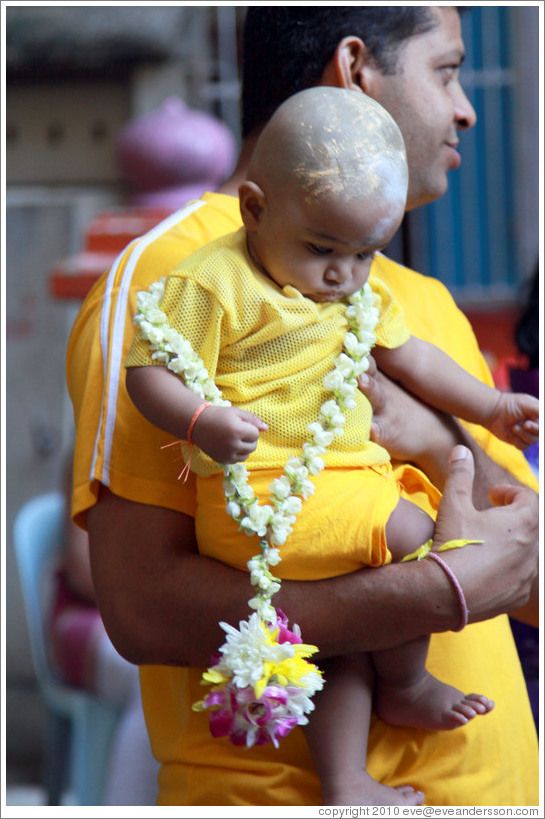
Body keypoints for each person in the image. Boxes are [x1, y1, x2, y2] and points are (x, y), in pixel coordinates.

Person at [66, 6, 539, 806]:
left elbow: (522, 561)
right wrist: (425, 595)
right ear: (355, 69)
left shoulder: (410, 296)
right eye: (446, 70)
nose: (464, 109)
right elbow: (141, 604)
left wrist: (431, 441)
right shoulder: (180, 273)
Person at [50, 458, 160, 806]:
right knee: (152, 676)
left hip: (153, 617)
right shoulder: (94, 447)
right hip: (85, 614)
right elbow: (83, 571)